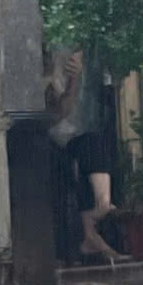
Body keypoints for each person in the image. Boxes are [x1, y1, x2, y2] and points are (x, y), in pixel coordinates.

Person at [46, 47, 121, 262]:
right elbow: (59, 113)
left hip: (79, 133)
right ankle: (94, 218)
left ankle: (99, 212)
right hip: (53, 137)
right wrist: (73, 80)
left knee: (93, 142)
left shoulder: (89, 54)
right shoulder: (42, 73)